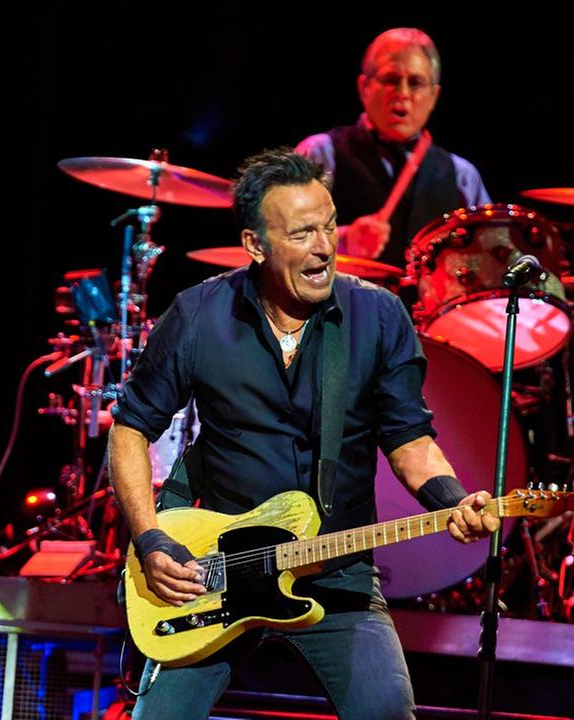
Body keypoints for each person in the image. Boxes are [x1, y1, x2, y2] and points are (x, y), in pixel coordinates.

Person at [109, 149, 498, 720]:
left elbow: (410, 440)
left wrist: (453, 500)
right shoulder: (198, 315)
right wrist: (150, 538)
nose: (324, 246)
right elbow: (130, 428)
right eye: (302, 233)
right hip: (216, 574)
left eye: (330, 225)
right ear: (256, 245)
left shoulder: (378, 316)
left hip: (335, 569)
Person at [295, 28, 490, 269]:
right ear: (364, 88)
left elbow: (487, 257)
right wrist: (343, 240)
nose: (403, 94)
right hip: (340, 304)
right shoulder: (320, 154)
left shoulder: (462, 176)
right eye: (390, 80)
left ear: (434, 96)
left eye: (416, 83)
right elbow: (283, 239)